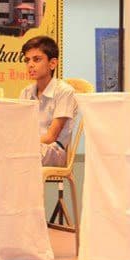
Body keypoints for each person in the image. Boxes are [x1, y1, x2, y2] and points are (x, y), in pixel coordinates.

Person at [19, 36, 77, 167]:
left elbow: (51, 137)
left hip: (54, 150)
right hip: (29, 147)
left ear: (52, 63)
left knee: (19, 156)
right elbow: (20, 129)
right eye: (27, 60)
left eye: (36, 59)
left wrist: (22, 145)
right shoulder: (26, 92)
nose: (30, 65)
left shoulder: (64, 91)